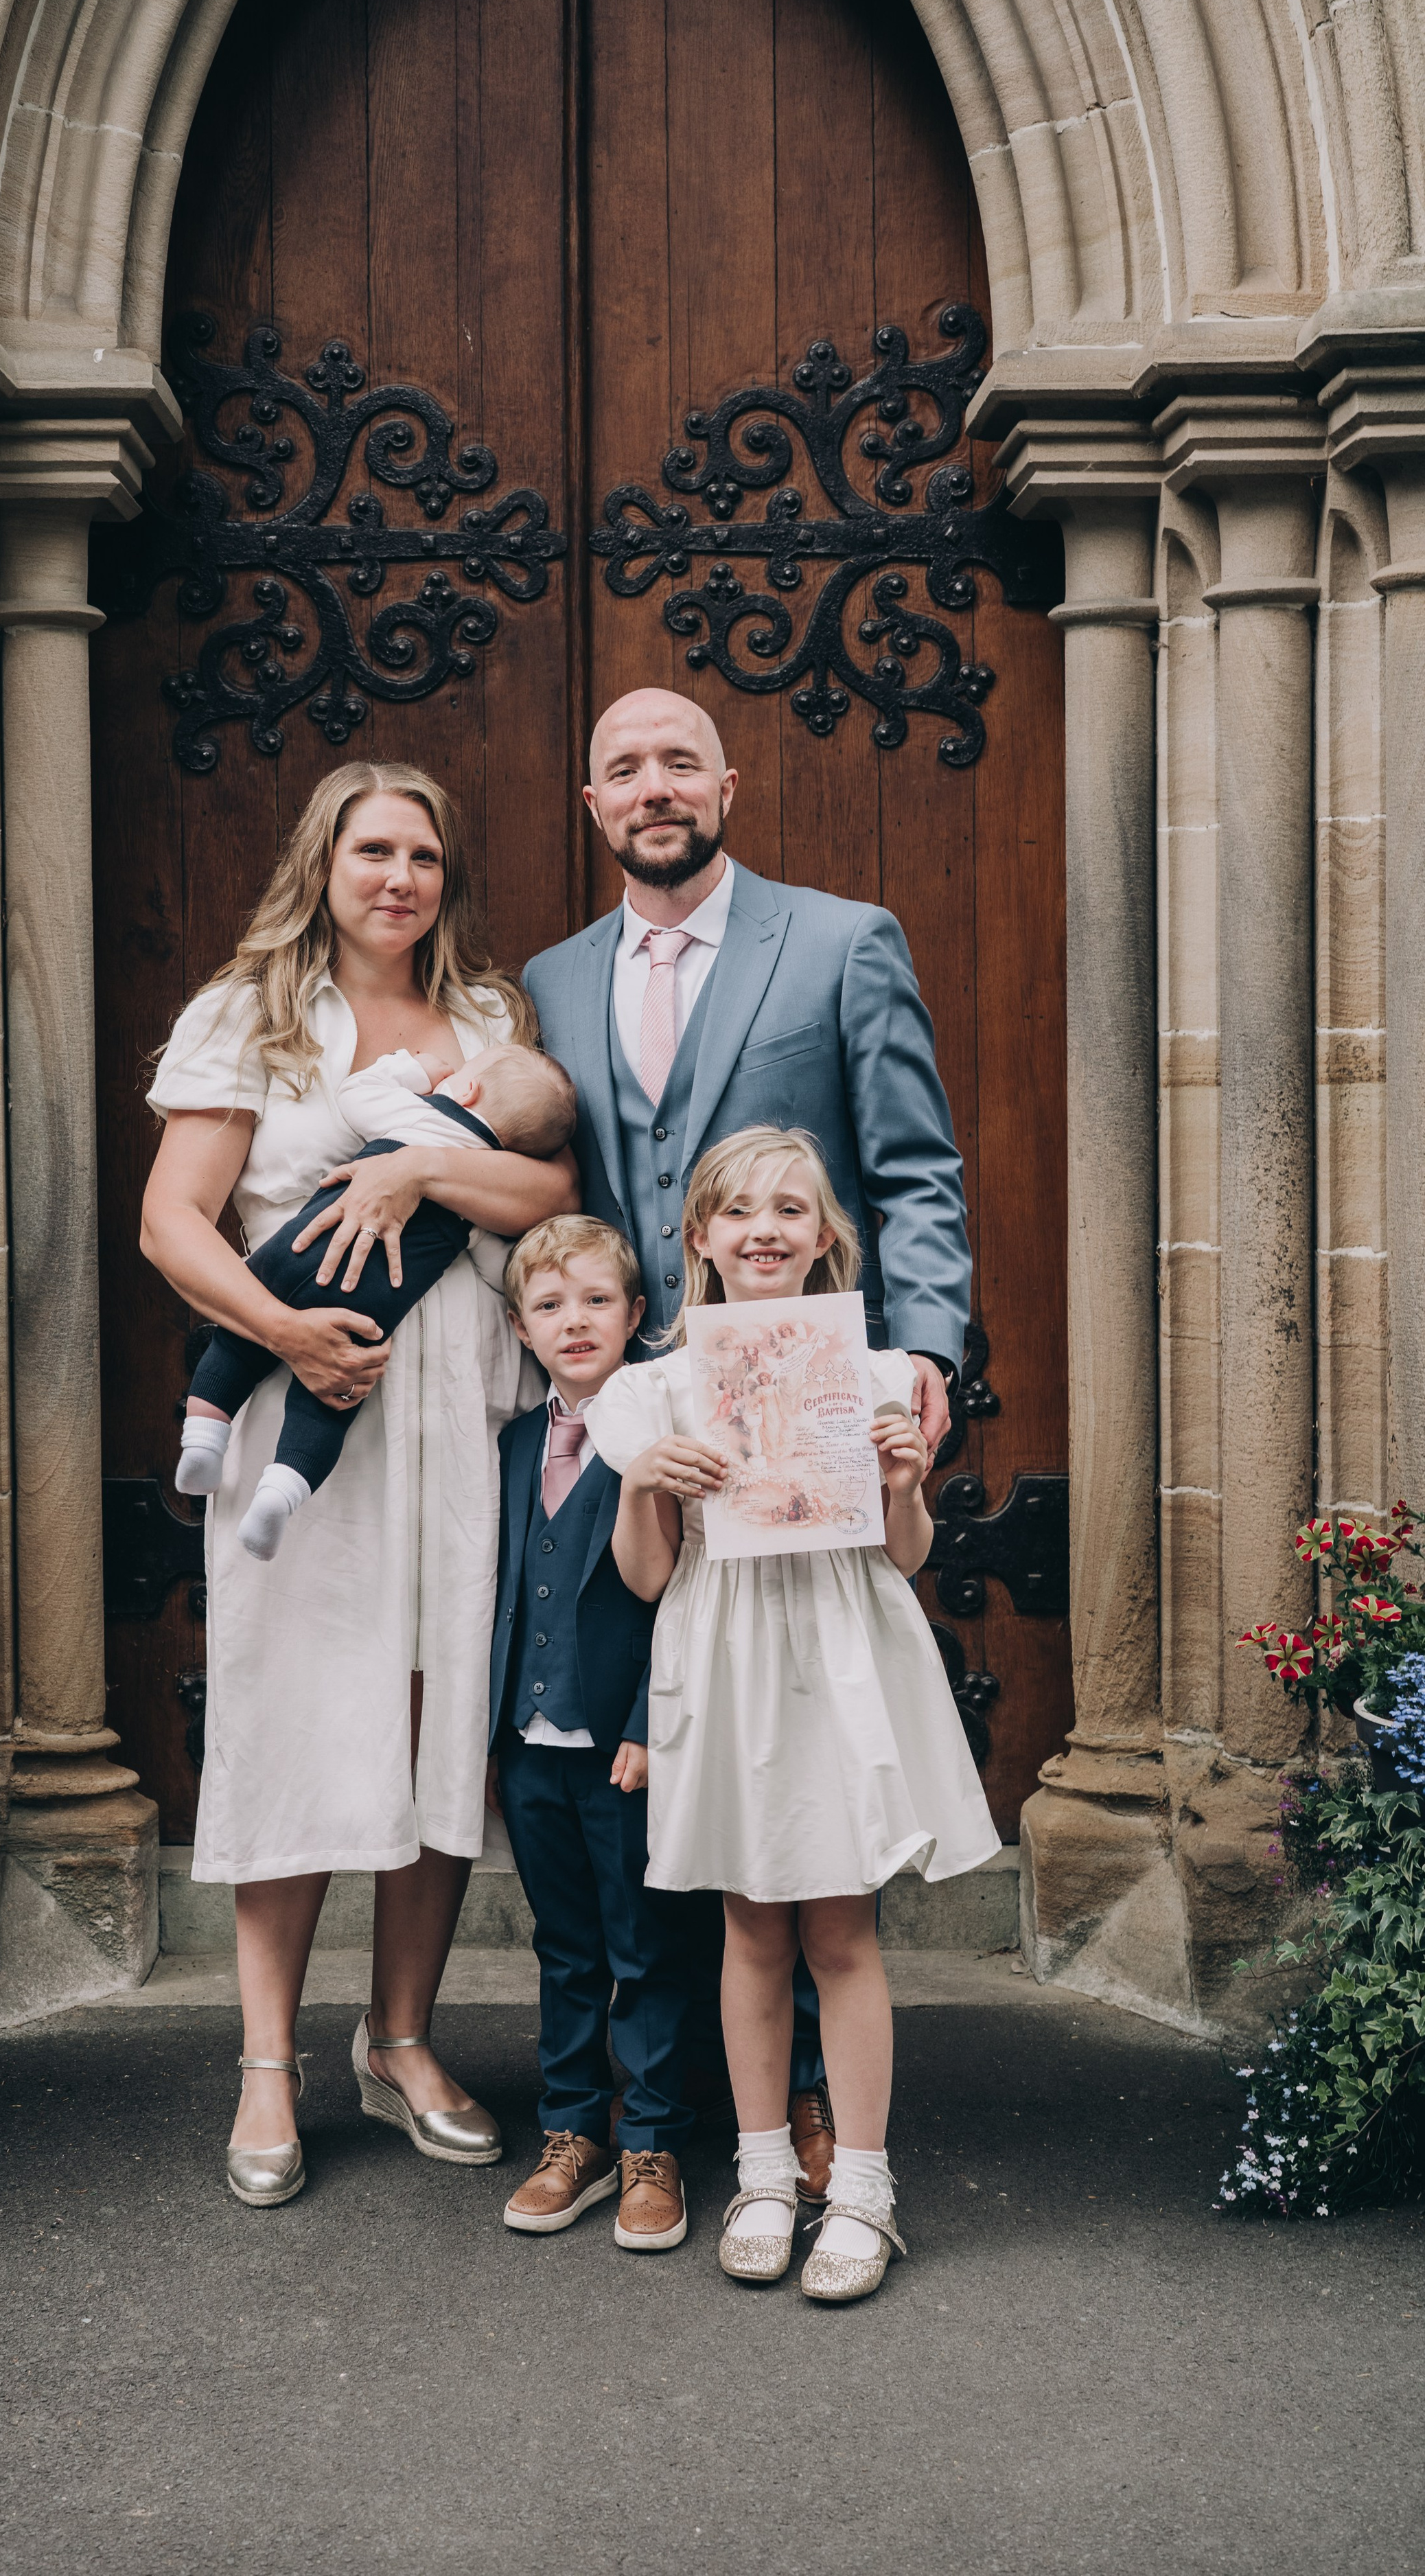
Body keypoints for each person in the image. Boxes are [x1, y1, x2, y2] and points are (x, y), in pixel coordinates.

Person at [523, 685, 973, 2200]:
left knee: (800, 1741)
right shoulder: (552, 980)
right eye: (623, 768)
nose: (653, 787)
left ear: (726, 785)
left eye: (678, 762)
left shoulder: (841, 942)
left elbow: (911, 1170)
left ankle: (821, 2113)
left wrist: (924, 1355)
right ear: (594, 804)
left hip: (806, 1417)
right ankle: (648, 2118)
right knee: (649, 1758)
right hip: (640, 1428)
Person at [141, 760, 577, 2208]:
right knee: (296, 1714)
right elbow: (173, 1221)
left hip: (459, 1414)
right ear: (320, 867)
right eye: (374, 852)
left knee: (434, 1716)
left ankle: (399, 2040)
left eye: (424, 857)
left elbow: (551, 1196)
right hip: (306, 1402)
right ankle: (267, 2063)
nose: (400, 879)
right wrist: (284, 1336)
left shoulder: (489, 1021)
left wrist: (417, 1177)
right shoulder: (253, 1015)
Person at [586, 1126, 999, 2300]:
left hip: (840, 1657)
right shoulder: (653, 1392)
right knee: (753, 1927)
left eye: (789, 1210)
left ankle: (862, 2186)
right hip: (726, 1655)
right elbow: (647, 1579)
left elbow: (903, 1556)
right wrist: (644, 1483)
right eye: (738, 1211)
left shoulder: (875, 1375)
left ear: (825, 1239)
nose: (763, 1229)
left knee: (842, 1931)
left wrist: (905, 1481)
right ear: (699, 1238)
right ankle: (764, 2173)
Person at [487, 1215, 693, 2254]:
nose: (574, 1321)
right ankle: (575, 2131)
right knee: (564, 1947)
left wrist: (651, 1723)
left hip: (623, 1747)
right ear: (520, 1329)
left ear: (637, 1315)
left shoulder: (662, 1436)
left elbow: (682, 1594)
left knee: (642, 1947)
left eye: (597, 1301)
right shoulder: (514, 1445)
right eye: (550, 1305)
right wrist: (489, 1733)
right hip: (528, 1745)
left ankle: (653, 2140)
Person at [174, 1039, 577, 1559]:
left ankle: (203, 1441)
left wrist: (414, 1069)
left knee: (235, 1346)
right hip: (366, 1312)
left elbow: (357, 1092)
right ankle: (280, 1494)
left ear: (467, 1090)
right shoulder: (481, 1188)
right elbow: (497, 1271)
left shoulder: (414, 1115)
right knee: (328, 1404)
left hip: (296, 1257)